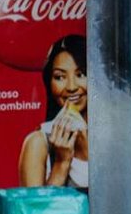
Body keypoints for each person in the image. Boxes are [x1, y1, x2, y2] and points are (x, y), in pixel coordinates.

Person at [18, 35, 89, 190]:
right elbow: (36, 213)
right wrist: (61, 163)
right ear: (49, 83)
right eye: (60, 77)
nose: (71, 87)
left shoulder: (114, 139)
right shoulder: (38, 143)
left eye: (81, 74)